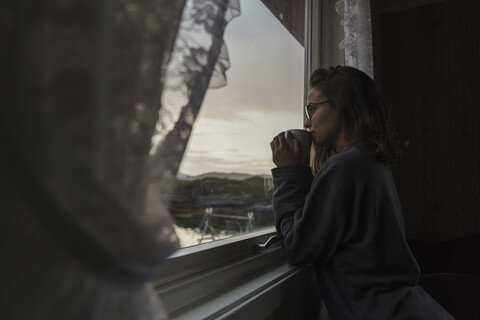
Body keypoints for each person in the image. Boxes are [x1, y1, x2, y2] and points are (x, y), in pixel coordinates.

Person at [270, 66, 453, 319]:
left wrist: (287, 174)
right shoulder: (369, 162)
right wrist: (301, 176)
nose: (306, 121)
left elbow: (296, 247)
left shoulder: (344, 167)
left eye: (313, 109)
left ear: (342, 105)